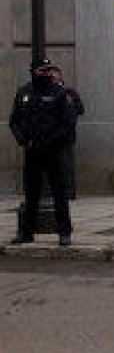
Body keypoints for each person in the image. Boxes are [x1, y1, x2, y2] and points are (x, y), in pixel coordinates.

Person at [9, 58, 79, 246]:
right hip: (32, 151)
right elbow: (14, 121)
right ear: (33, 71)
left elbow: (68, 124)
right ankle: (27, 232)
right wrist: (22, 139)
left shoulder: (60, 93)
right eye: (42, 71)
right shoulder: (24, 93)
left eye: (48, 71)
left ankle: (64, 232)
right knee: (31, 193)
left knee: (59, 193)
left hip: (54, 152)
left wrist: (51, 141)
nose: (46, 74)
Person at [50, 66, 84, 200]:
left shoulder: (69, 92)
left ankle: (68, 192)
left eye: (54, 76)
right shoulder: (47, 92)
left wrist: (70, 110)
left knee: (66, 165)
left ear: (59, 76)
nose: (52, 79)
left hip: (65, 136)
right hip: (49, 136)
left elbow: (80, 109)